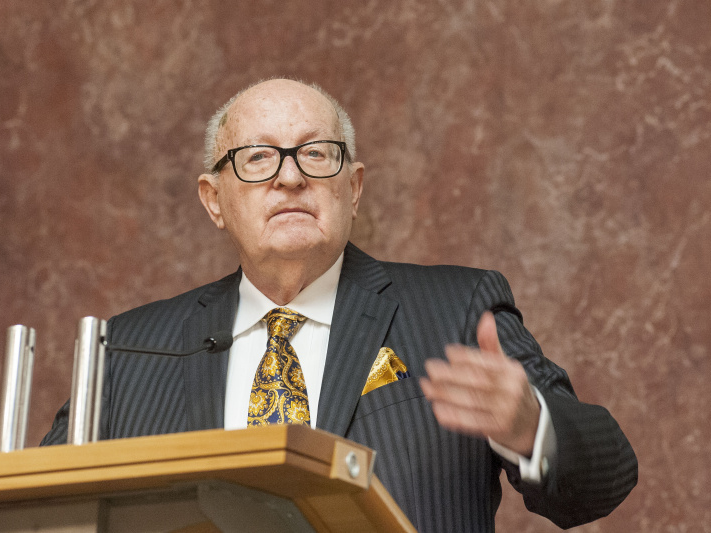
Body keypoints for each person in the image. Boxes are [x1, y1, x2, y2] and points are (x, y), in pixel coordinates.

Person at [42, 78, 637, 531]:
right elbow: (38, 504)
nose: (290, 178)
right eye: (257, 157)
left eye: (316, 153)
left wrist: (533, 425)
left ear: (353, 188)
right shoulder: (127, 350)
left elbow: (605, 477)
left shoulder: (457, 310)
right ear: (214, 200)